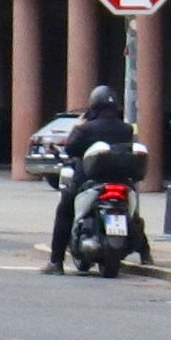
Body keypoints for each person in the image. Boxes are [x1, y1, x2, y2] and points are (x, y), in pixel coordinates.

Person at [45, 84, 132, 273]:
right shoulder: (126, 129)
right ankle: (145, 252)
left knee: (64, 210)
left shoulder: (87, 129)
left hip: (88, 181)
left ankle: (56, 262)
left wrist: (77, 128)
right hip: (120, 180)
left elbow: (71, 149)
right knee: (132, 213)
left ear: (94, 104)